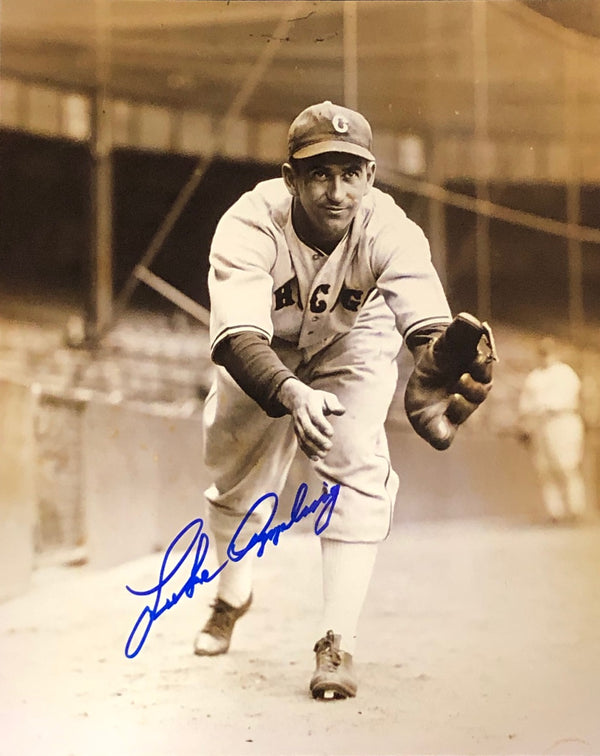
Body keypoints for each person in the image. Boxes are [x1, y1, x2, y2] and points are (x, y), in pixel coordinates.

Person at [193, 101, 494, 699]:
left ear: (371, 176)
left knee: (355, 461)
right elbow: (235, 338)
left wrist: (439, 357)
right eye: (320, 173)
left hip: (353, 342)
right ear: (291, 178)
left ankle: (338, 641)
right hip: (264, 352)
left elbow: (425, 319)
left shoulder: (390, 227)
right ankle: (231, 596)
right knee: (235, 480)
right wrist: (288, 390)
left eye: (350, 173)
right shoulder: (249, 222)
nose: (336, 190)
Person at [518, 336, 586, 523]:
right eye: (542, 352)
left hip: (563, 419)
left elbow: (566, 398)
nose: (545, 356)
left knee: (567, 466)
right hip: (541, 424)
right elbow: (525, 405)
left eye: (548, 352)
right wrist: (526, 424)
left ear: (555, 353)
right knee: (544, 470)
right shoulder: (534, 376)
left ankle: (576, 510)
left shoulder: (565, 373)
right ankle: (555, 513)